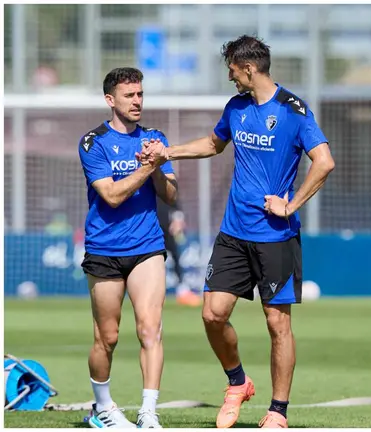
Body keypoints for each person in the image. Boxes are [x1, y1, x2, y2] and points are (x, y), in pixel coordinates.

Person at [139, 35, 335, 429]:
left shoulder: (293, 110)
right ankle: (238, 382)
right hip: (233, 234)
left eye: (231, 68)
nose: (229, 75)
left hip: (276, 236)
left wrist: (291, 204)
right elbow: (213, 144)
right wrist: (167, 151)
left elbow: (324, 162)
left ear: (248, 68)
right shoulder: (236, 107)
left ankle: (277, 412)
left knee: (277, 324)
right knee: (212, 315)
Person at [78, 67, 177, 429]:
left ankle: (148, 412)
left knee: (151, 330)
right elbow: (112, 195)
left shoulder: (155, 138)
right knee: (107, 337)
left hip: (147, 246)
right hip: (104, 248)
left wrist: (157, 165)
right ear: (110, 100)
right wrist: (148, 166)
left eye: (140, 94)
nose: (137, 101)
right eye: (129, 95)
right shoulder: (93, 142)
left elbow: (170, 194)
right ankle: (103, 408)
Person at [155, 198, 202, 306]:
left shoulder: (163, 184)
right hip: (150, 231)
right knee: (153, 261)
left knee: (175, 256)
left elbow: (174, 202)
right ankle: (154, 292)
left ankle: (183, 290)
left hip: (166, 229)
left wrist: (178, 220)